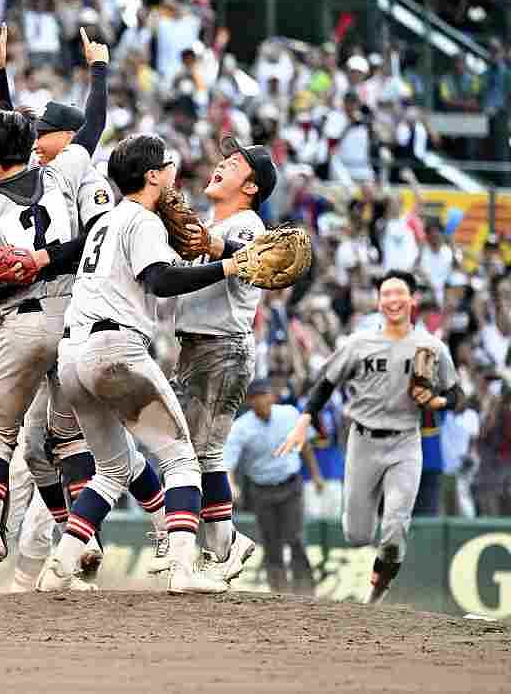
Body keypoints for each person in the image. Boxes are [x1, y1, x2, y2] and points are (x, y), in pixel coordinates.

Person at [0, 24, 169, 588]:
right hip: (62, 316)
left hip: (83, 316)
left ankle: (139, 530)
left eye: (44, 132)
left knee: (73, 440)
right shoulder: (46, 173)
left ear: (67, 136)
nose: (34, 139)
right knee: (45, 446)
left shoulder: (83, 175)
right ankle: (85, 542)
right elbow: (9, 137)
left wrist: (101, 71)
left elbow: (93, 124)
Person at [37, 132, 244, 594]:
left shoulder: (109, 219)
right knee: (183, 460)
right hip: (114, 350)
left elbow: (177, 261)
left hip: (72, 356)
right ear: (152, 175)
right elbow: (162, 280)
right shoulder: (143, 221)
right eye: (168, 165)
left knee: (112, 470)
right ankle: (184, 569)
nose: (173, 173)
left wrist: (229, 252)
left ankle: (59, 566)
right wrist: (230, 268)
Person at [0, 28, 114, 590]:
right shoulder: (63, 171)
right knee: (66, 439)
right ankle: (81, 540)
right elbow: (88, 126)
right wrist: (99, 69)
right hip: (75, 321)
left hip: (22, 321)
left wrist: (7, 278)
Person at [276, 270, 460, 604]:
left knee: (394, 529)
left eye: (399, 293)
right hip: (362, 441)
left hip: (406, 441)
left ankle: (376, 595)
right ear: (378, 301)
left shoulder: (431, 346)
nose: (393, 300)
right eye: (386, 294)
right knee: (357, 534)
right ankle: (371, 543)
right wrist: (305, 419)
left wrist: (437, 401)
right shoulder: (358, 343)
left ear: (412, 299)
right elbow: (326, 383)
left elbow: (457, 395)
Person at [169, 135, 277, 582]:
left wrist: (219, 249)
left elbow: (263, 262)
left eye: (233, 164)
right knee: (201, 453)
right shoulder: (213, 223)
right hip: (199, 346)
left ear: (251, 187)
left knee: (196, 453)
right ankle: (225, 544)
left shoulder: (248, 224)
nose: (221, 164)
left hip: (223, 346)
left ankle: (213, 546)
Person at [223, 379, 315, 595]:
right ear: (248, 401)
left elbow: (306, 444)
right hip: (261, 490)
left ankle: (307, 592)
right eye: (254, 397)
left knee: (295, 538)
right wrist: (231, 485)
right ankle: (279, 593)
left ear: (272, 396)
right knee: (271, 543)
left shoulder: (290, 414)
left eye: (263, 395)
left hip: (290, 484)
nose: (260, 400)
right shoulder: (241, 427)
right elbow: (228, 463)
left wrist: (316, 474)